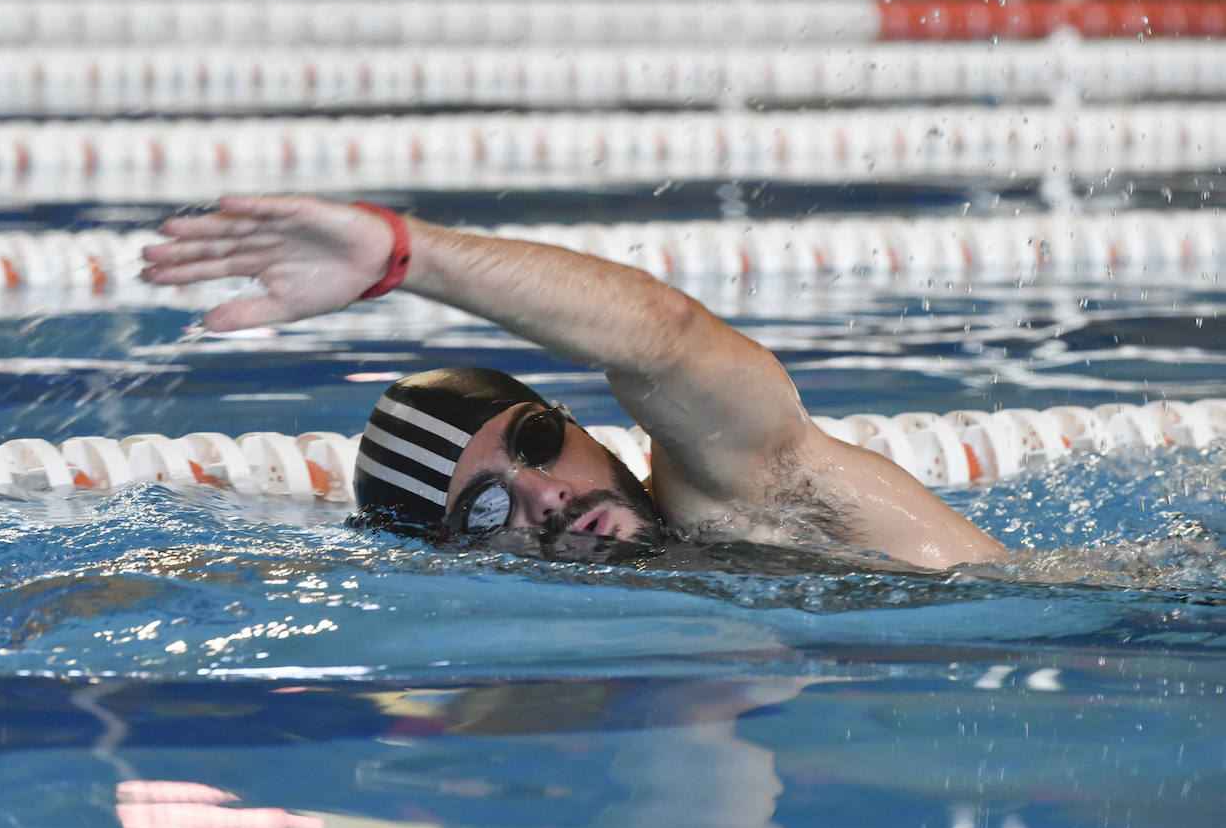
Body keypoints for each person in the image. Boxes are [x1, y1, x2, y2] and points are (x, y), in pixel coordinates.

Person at [141, 195, 1003, 570]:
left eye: (537, 443)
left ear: (581, 423)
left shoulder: (747, 493)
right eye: (484, 507)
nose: (546, 494)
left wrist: (408, 255)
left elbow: (665, 340)